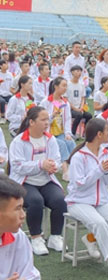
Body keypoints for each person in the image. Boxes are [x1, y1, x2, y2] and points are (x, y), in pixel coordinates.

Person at [65, 118, 108, 278]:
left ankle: (90, 238)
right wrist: (98, 170)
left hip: (101, 201)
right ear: (99, 134)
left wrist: (104, 173)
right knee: (100, 223)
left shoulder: (105, 153)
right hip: (78, 201)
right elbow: (79, 184)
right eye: (106, 131)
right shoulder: (79, 156)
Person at [8, 107, 67, 256]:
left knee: (60, 200)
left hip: (46, 180)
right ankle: (36, 237)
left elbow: (57, 159)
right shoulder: (19, 141)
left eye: (48, 119)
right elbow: (18, 166)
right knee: (35, 201)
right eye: (43, 119)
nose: (47, 122)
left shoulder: (50, 139)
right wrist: (40, 165)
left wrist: (54, 166)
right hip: (24, 182)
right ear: (31, 122)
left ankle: (55, 236)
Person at [0, 174, 41, 280]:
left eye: (22, 207)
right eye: (17, 208)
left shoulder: (17, 236)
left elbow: (31, 274)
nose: (23, 215)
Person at [40, 77, 76, 180]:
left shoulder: (65, 102)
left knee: (71, 143)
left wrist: (68, 133)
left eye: (66, 86)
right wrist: (52, 115)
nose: (65, 88)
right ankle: (65, 171)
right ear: (56, 86)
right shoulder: (46, 102)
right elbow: (42, 120)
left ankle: (73, 168)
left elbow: (68, 119)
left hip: (60, 132)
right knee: (61, 144)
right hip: (47, 133)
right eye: (63, 85)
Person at [67, 65, 92, 136]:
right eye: (77, 71)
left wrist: (81, 107)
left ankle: (85, 133)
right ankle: (73, 133)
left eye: (80, 71)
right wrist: (75, 108)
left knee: (89, 115)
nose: (79, 73)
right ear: (72, 72)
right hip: (70, 108)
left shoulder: (81, 84)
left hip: (79, 108)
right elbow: (66, 99)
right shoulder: (68, 84)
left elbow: (83, 98)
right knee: (79, 115)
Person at [0, 59, 14, 124]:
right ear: (1, 66)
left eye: (7, 63)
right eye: (5, 64)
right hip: (0, 94)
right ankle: (2, 117)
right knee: (2, 101)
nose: (7, 65)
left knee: (13, 100)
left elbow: (12, 85)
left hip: (9, 94)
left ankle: (9, 116)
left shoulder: (10, 74)